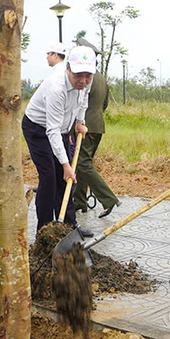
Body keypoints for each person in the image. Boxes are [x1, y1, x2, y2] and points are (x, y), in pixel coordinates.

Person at [22, 46, 96, 236]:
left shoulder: (87, 82)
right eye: (79, 75)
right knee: (49, 177)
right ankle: (45, 230)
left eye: (88, 75)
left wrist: (80, 122)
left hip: (61, 128)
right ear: (68, 69)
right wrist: (65, 164)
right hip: (38, 128)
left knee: (65, 180)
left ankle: (69, 225)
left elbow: (83, 100)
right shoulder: (57, 87)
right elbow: (51, 130)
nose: (83, 80)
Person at [70, 40, 121, 218]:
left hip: (85, 126)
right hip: (98, 126)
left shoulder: (85, 79)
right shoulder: (101, 78)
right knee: (81, 164)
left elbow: (78, 102)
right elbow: (104, 103)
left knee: (83, 163)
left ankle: (109, 199)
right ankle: (80, 201)